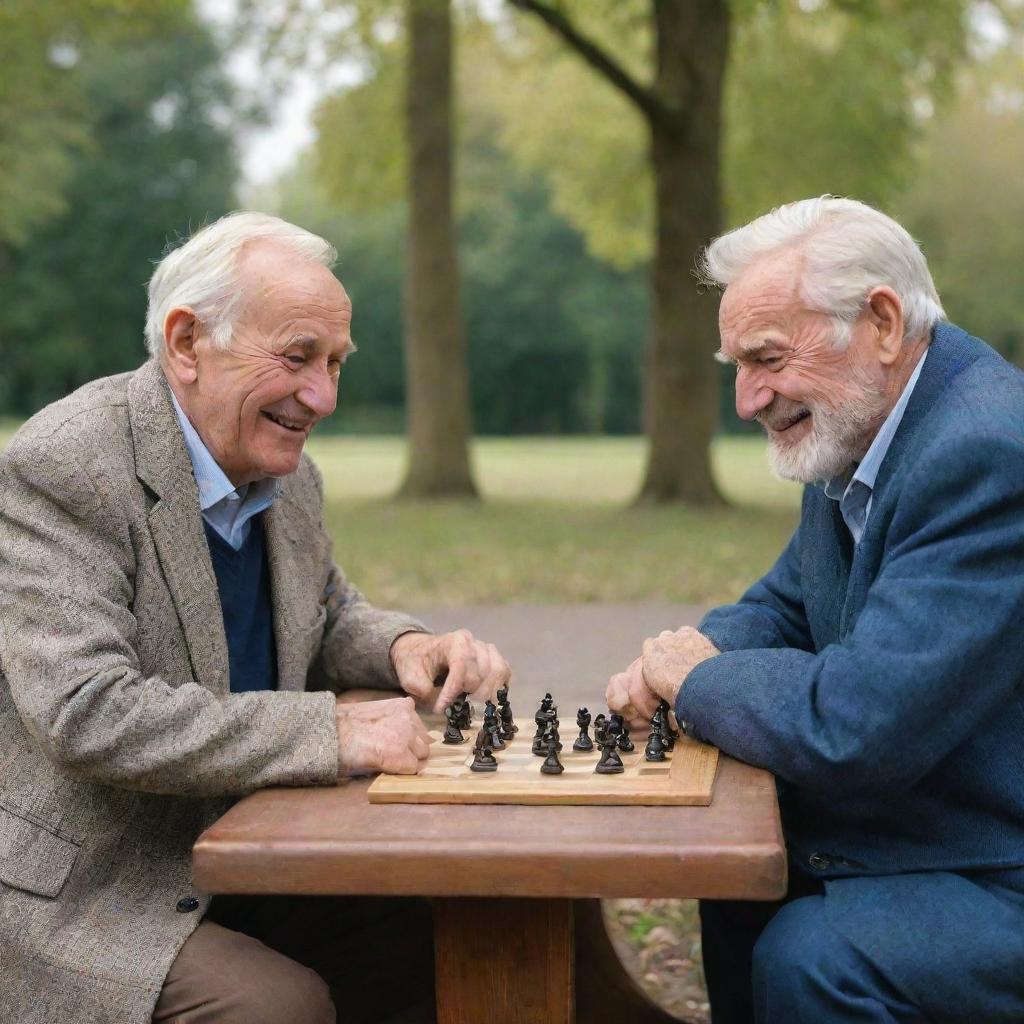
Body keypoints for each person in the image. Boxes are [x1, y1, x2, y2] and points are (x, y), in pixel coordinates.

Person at [0, 212, 512, 1024]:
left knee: (455, 923)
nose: (324, 396)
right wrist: (331, 735)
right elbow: (85, 711)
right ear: (185, 342)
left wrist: (408, 646)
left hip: (251, 846)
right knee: (276, 1006)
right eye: (298, 357)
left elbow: (325, 613)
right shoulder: (66, 465)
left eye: (336, 363)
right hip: (94, 885)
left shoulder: (286, 472)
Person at [606, 197, 1024, 1023]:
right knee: (738, 876)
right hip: (949, 832)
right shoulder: (861, 430)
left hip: (999, 863)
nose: (747, 399)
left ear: (880, 322)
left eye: (766, 358)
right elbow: (786, 605)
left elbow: (858, 727)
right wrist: (685, 657)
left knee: (812, 958)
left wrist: (697, 683)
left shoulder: (986, 452)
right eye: (736, 366)